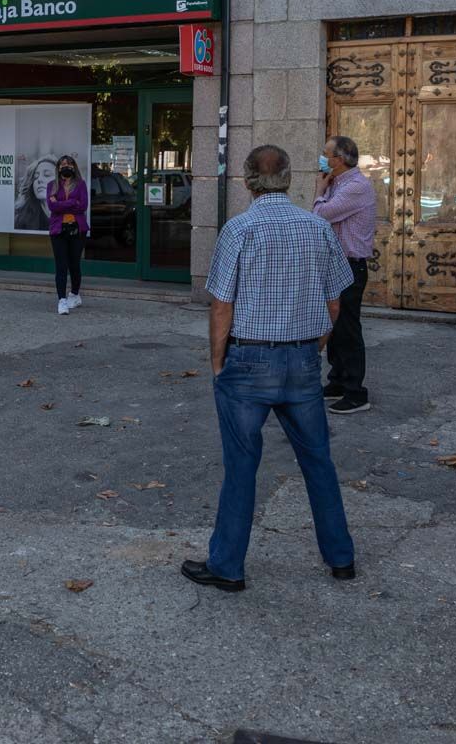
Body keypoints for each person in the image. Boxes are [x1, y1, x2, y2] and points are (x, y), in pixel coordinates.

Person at [181, 145, 357, 593]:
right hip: (300, 360)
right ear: (290, 178)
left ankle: (227, 566)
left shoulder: (239, 229)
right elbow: (336, 300)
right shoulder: (317, 228)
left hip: (248, 360)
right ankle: (341, 559)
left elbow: (222, 305)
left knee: (241, 465)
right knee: (318, 461)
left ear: (246, 181)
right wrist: (314, 343)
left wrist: (218, 361)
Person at [313, 135, 377, 415]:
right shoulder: (337, 183)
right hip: (335, 264)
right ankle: (337, 381)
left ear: (338, 159)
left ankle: (356, 392)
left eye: (326, 153)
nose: (323, 157)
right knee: (334, 326)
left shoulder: (356, 187)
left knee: (348, 328)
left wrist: (318, 190)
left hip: (351, 265)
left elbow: (319, 216)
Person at [47, 154, 89, 315]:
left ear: (74, 167)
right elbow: (52, 207)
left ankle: (75, 294)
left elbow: (83, 205)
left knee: (74, 264)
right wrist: (72, 203)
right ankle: (62, 300)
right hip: (58, 230)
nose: (66, 166)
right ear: (58, 168)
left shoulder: (81, 184)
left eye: (70, 164)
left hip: (77, 230)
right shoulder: (52, 185)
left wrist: (61, 204)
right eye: (63, 164)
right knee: (61, 266)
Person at [14, 154, 59, 231]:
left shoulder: (74, 213)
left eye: (47, 175)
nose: (39, 180)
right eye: (35, 177)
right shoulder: (21, 219)